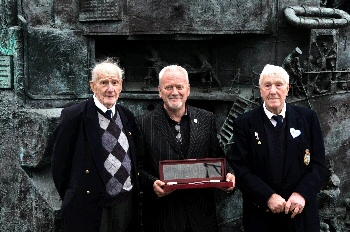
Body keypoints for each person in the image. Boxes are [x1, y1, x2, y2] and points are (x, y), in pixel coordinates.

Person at [137, 65, 235, 232]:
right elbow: (137, 168)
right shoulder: (143, 123)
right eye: (168, 87)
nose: (174, 92)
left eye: (179, 87)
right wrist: (152, 184)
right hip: (163, 219)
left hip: (201, 219)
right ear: (160, 91)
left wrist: (229, 174)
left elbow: (218, 157)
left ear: (188, 90)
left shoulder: (206, 119)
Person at [230, 64, 326, 232]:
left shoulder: (307, 118)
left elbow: (319, 165)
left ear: (287, 89)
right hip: (261, 218)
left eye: (278, 85)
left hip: (301, 218)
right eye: (267, 85)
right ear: (261, 90)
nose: (273, 91)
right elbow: (241, 169)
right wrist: (268, 196)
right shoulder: (244, 123)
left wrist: (302, 194)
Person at [51, 59, 141, 232]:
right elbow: (59, 167)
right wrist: (75, 197)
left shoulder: (126, 115)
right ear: (93, 86)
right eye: (104, 83)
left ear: (121, 85)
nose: (110, 89)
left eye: (115, 82)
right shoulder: (74, 116)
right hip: (90, 206)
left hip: (125, 204)